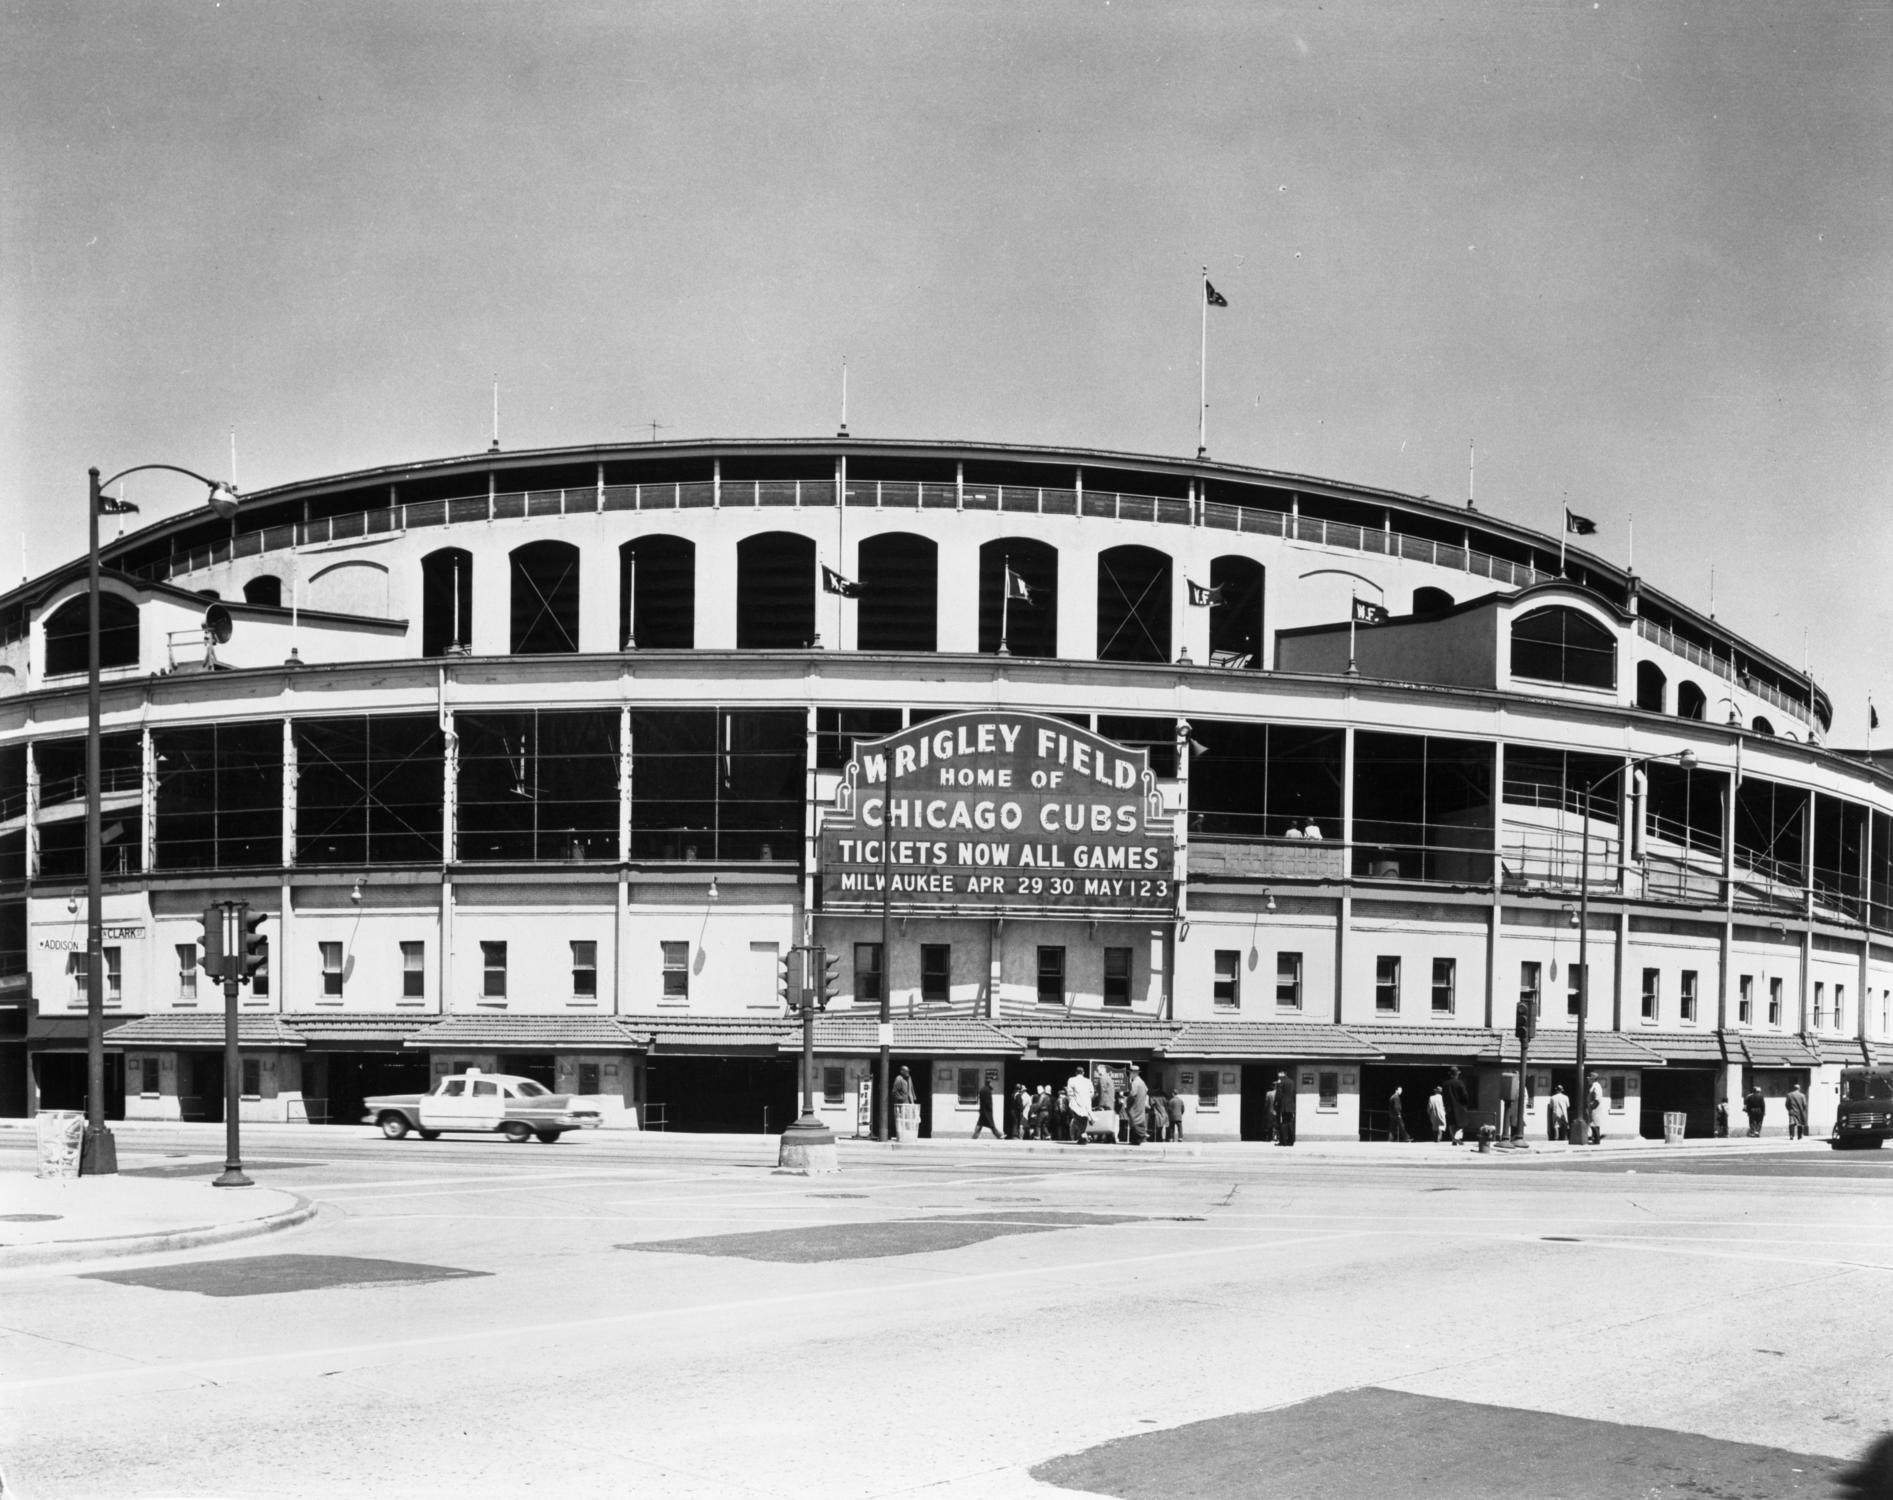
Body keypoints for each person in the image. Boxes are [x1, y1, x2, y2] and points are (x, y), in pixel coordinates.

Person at [1065, 1065, 1093, 1144]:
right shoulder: (1088, 1081)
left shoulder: (1071, 1080)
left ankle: (1083, 1136)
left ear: (1076, 1073)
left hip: (1076, 1102)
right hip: (1086, 1103)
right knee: (1084, 1119)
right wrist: (1088, 1098)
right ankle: (1083, 1136)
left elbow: (1070, 1092)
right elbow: (1092, 1092)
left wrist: (1071, 1100)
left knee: (1077, 1119)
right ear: (1083, 1073)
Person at [1443, 1066, 1471, 1146]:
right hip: (1460, 1106)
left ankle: (1453, 1139)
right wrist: (1466, 1103)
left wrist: (1445, 1106)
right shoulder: (1460, 1083)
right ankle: (1457, 1138)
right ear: (1457, 1074)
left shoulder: (1445, 1084)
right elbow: (1465, 1095)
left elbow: (1444, 1097)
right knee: (1461, 1123)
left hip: (1449, 1107)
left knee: (1451, 1123)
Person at [1126, 1064, 1149, 1145]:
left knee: (1134, 1121)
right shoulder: (1142, 1082)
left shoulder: (1135, 1083)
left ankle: (1140, 1138)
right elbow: (1146, 1090)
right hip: (1140, 1106)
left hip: (1135, 1107)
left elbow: (1132, 1095)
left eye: (1130, 1073)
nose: (1129, 1075)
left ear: (1134, 1073)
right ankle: (1138, 1139)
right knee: (1139, 1121)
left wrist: (1127, 1102)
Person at [1274, 1069, 1296, 1146]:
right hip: (1291, 1105)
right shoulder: (1292, 1082)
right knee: (1290, 1122)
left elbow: (1279, 1095)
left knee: (1283, 1123)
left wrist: (1276, 1104)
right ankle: (1291, 1140)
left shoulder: (1281, 1082)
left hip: (1283, 1106)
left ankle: (1283, 1141)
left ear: (1282, 1074)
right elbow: (1293, 1094)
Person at [1586, 1077, 1605, 1143]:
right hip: (1593, 1108)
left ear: (1593, 1079)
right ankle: (1595, 1140)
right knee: (1594, 1123)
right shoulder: (1594, 1085)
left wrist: (1591, 1106)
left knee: (1594, 1124)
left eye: (1589, 1079)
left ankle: (1596, 1140)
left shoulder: (1596, 1085)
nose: (1588, 1080)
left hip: (1595, 1108)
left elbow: (1597, 1098)